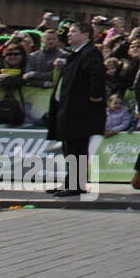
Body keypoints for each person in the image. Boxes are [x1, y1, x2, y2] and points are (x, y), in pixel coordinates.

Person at [46, 21, 105, 197]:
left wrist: (95, 96)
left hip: (80, 111)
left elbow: (97, 76)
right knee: (69, 147)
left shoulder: (90, 53)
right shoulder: (76, 54)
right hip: (68, 108)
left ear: (85, 35)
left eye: (74, 32)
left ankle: (76, 185)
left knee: (77, 148)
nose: (69, 34)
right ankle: (69, 182)